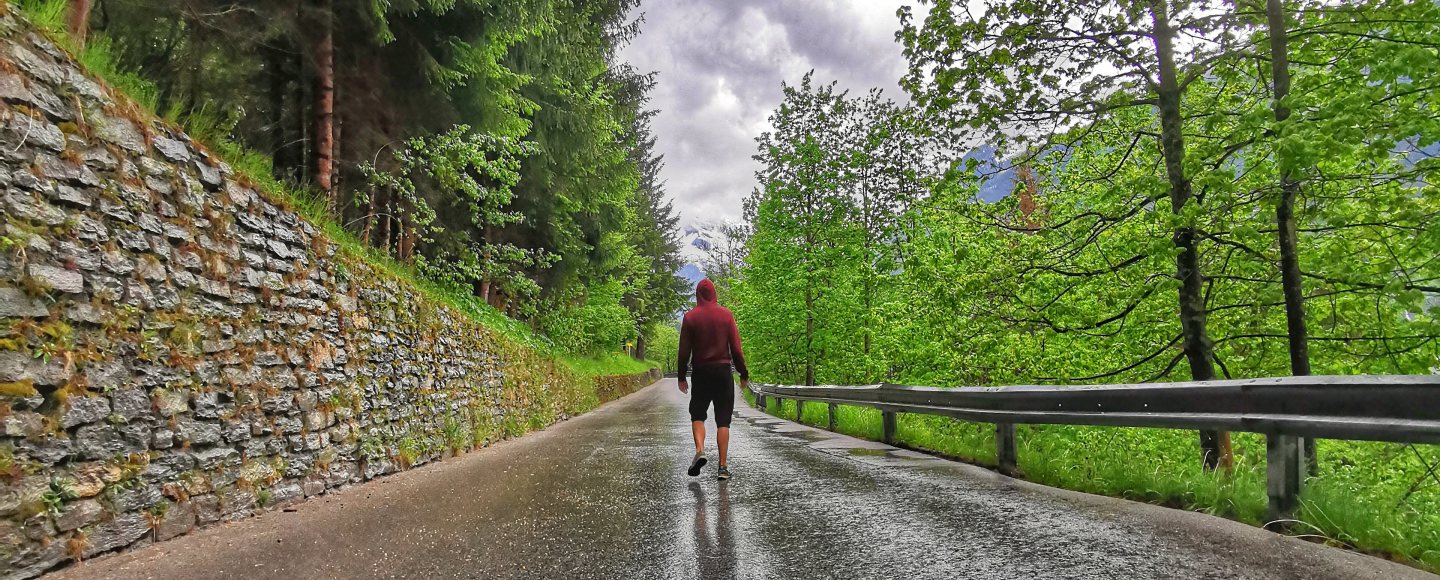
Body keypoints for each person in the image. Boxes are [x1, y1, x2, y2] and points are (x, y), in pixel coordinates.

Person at [677, 278, 749, 480]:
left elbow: (684, 352)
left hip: (701, 373)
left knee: (697, 414)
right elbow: (736, 349)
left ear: (698, 295)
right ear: (715, 294)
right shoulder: (726, 315)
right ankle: (723, 467)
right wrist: (743, 373)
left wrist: (681, 375)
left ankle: (700, 449)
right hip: (723, 372)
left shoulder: (690, 318)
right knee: (723, 420)